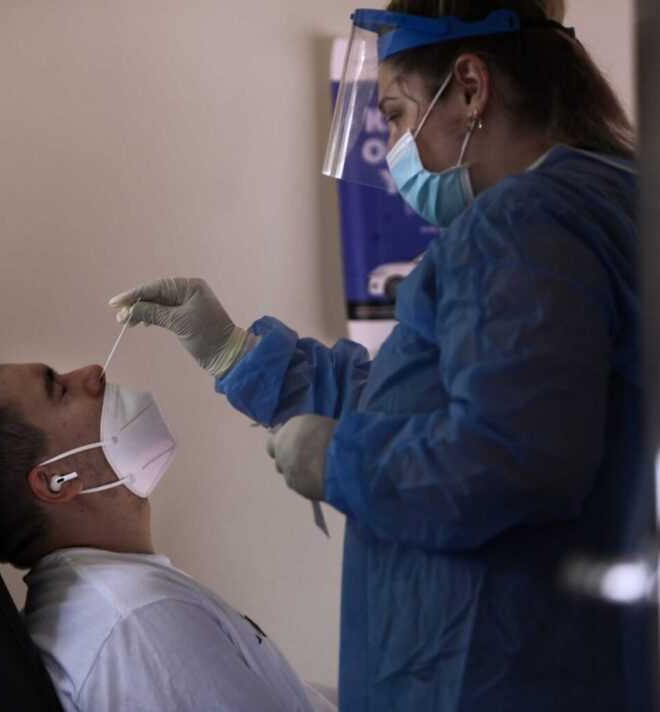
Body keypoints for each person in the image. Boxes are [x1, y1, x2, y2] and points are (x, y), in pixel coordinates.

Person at [110, 2, 649, 710]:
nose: (394, 148)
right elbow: (428, 401)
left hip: (500, 671)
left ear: (470, 88)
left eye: (395, 115)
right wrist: (237, 353)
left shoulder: (523, 221)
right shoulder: (615, 200)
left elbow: (510, 459)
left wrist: (341, 461)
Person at [0, 350, 337, 712]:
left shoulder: (119, 600)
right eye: (60, 390)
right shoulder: (140, 624)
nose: (93, 373)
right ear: (55, 481)